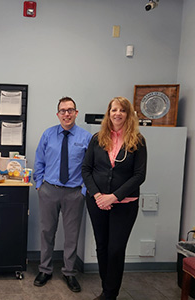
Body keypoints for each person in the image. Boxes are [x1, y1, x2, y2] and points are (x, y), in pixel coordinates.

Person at [81, 97, 147, 300]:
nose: (117, 113)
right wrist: (98, 195)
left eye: (122, 110)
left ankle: (110, 294)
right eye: (113, 110)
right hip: (97, 202)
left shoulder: (138, 140)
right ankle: (106, 289)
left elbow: (139, 175)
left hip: (125, 205)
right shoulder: (97, 138)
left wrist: (114, 197)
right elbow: (86, 169)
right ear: (108, 113)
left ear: (128, 115)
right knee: (102, 246)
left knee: (116, 249)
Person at [33, 97, 92, 292]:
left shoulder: (86, 138)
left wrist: (84, 190)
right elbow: (39, 161)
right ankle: (45, 269)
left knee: (71, 236)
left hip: (74, 193)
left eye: (70, 110)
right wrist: (39, 184)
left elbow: (90, 167)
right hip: (49, 190)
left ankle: (69, 272)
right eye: (63, 110)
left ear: (76, 112)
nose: (66, 114)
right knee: (47, 231)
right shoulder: (48, 135)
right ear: (58, 114)